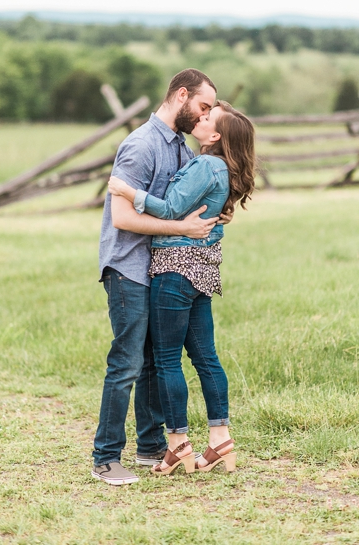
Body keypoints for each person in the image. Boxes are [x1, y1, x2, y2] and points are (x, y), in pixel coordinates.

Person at [107, 101, 256, 475]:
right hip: (201, 270)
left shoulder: (206, 163)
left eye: (208, 117)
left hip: (174, 269)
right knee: (206, 357)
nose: (201, 117)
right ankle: (220, 440)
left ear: (216, 135)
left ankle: (177, 445)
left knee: (167, 360)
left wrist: (128, 191)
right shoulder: (218, 166)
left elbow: (172, 209)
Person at [92, 68, 222, 486]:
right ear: (181, 95)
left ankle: (150, 446)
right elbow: (124, 215)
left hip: (160, 268)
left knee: (152, 360)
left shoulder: (184, 150)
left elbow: (182, 204)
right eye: (202, 106)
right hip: (127, 266)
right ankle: (105, 457)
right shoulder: (141, 145)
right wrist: (183, 229)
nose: (205, 115)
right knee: (127, 362)